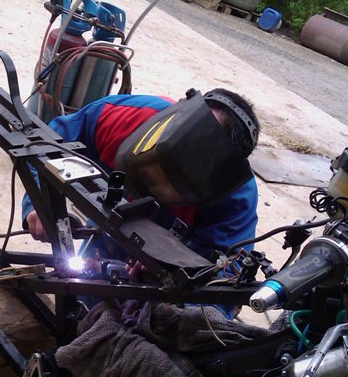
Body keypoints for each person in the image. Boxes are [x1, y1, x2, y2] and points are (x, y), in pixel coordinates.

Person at [22, 87, 260, 265]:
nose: (157, 181)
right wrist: (40, 202)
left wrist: (175, 293)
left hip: (169, 248)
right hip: (108, 212)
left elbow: (226, 272)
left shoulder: (234, 197)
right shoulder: (126, 116)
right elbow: (48, 146)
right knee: (86, 276)